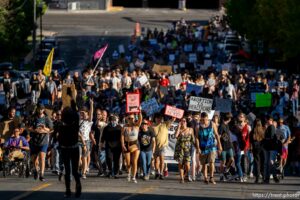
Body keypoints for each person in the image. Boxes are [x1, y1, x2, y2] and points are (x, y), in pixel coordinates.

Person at [58, 106, 81, 198]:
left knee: (68, 170)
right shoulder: (75, 126)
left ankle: (68, 190)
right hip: (74, 148)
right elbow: (77, 117)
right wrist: (73, 105)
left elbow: (59, 140)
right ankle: (78, 186)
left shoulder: (61, 126)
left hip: (65, 149)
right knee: (75, 171)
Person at [195, 112, 222, 184]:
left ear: (207, 118)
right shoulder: (198, 127)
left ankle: (211, 177)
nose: (204, 121)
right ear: (201, 119)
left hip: (211, 146)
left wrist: (219, 145)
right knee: (204, 164)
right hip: (202, 147)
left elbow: (216, 135)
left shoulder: (212, 124)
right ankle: (205, 178)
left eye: (206, 120)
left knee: (211, 161)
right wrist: (198, 148)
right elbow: (197, 138)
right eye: (203, 120)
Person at [29, 104, 53, 181]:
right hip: (34, 141)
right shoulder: (33, 118)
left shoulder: (46, 119)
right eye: (39, 109)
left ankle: (42, 175)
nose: (40, 110)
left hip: (43, 140)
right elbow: (28, 127)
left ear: (43, 110)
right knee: (34, 159)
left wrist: (44, 129)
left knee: (42, 158)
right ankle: (36, 169)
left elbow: (51, 129)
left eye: (41, 109)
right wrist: (34, 130)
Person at [151, 114, 175, 180]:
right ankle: (157, 172)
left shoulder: (165, 124)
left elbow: (172, 120)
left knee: (162, 159)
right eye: (157, 118)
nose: (159, 119)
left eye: (160, 118)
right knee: (156, 161)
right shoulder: (152, 126)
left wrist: (174, 116)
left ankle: (161, 173)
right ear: (155, 119)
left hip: (163, 145)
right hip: (155, 146)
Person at [121, 112, 142, 183]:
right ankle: (129, 173)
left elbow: (140, 119)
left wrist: (140, 112)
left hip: (135, 144)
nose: (131, 119)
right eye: (129, 118)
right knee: (128, 162)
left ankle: (133, 176)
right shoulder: (125, 127)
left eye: (132, 118)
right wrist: (123, 145)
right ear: (127, 119)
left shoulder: (136, 126)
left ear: (134, 119)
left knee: (134, 161)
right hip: (127, 144)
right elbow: (122, 136)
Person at [174, 117, 195, 183]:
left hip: (187, 149)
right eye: (181, 121)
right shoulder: (179, 130)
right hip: (180, 149)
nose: (183, 122)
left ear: (186, 122)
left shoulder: (190, 129)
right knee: (180, 164)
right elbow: (176, 136)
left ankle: (187, 175)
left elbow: (193, 139)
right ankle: (182, 178)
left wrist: (196, 146)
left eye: (184, 121)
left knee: (187, 164)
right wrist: (178, 127)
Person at [78, 99, 94, 179]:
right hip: (78, 141)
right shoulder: (78, 121)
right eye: (81, 113)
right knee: (78, 158)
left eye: (84, 113)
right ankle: (81, 167)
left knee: (84, 157)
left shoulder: (88, 122)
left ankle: (83, 173)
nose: (83, 114)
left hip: (86, 141)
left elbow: (91, 114)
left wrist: (91, 105)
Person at [262, 116, 280, 183]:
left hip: (272, 148)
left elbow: (271, 137)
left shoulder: (271, 127)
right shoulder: (268, 127)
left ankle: (272, 177)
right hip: (267, 147)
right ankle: (268, 178)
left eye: (269, 120)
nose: (267, 121)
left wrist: (266, 138)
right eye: (267, 120)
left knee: (270, 163)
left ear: (271, 121)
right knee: (267, 163)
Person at [218, 113, 234, 181]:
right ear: (229, 119)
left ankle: (226, 171)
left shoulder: (227, 125)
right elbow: (218, 136)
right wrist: (219, 146)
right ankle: (221, 175)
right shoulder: (221, 126)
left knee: (231, 159)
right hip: (223, 146)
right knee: (223, 161)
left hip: (229, 145)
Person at [250, 119, 265, 183]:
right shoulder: (263, 130)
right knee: (262, 162)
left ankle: (257, 178)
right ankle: (264, 177)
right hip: (262, 148)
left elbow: (250, 141)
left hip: (255, 148)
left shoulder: (252, 131)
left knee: (257, 163)